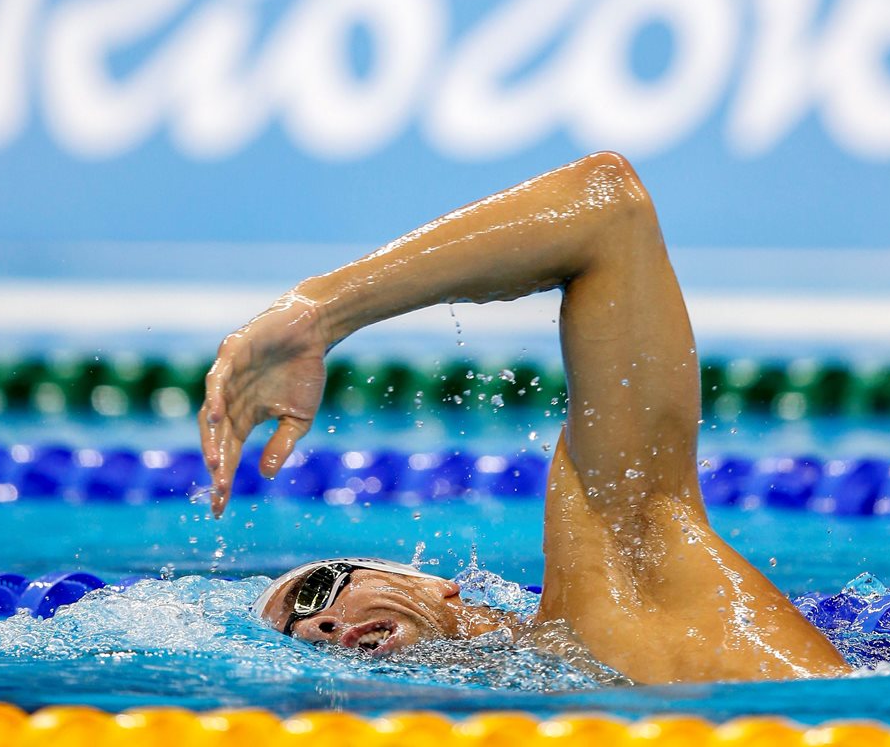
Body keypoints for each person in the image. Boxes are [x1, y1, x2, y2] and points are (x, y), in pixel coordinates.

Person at [199, 152, 850, 684]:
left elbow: (608, 211)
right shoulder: (545, 689)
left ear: (434, 584)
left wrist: (322, 311)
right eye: (295, 636)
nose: (314, 627)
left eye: (316, 592)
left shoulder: (623, 581)